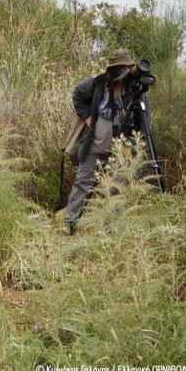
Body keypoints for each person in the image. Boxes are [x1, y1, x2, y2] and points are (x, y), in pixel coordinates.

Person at [64, 48, 139, 234]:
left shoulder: (135, 89)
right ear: (111, 70)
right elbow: (77, 94)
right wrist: (87, 116)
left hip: (121, 149)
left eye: (127, 68)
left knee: (117, 187)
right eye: (120, 69)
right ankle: (71, 225)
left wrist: (133, 145)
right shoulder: (97, 84)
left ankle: (111, 228)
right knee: (83, 184)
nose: (124, 74)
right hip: (94, 145)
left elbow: (143, 120)